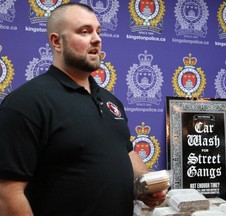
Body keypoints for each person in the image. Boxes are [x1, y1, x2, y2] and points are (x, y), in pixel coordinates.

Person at [0, 3, 166, 216]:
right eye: (85, 31)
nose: (97, 38)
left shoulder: (110, 102)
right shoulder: (26, 103)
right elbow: (7, 193)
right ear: (56, 41)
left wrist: (145, 183)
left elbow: (125, 151)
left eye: (98, 31)